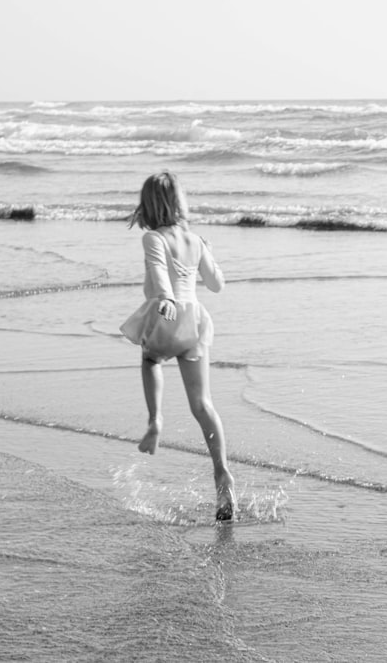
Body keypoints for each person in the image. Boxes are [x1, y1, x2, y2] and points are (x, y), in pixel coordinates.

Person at [119, 172, 236, 521]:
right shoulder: (196, 239)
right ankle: (222, 472)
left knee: (151, 359)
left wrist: (166, 298)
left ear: (149, 205)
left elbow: (158, 271)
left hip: (168, 314)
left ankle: (155, 421)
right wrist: (209, 254)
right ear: (180, 202)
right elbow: (216, 285)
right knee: (202, 404)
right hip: (195, 322)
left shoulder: (154, 238)